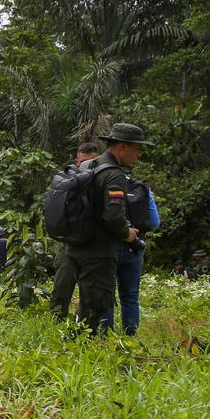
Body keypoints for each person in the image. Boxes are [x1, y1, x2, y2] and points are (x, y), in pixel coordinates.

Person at [62, 123, 152, 334]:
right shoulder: (113, 174)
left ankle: (77, 347)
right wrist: (128, 235)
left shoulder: (89, 165)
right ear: (122, 147)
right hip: (97, 251)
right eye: (137, 149)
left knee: (86, 303)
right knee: (97, 306)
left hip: (77, 246)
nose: (138, 155)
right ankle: (89, 356)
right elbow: (113, 216)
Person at [48, 142, 101, 320]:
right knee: (63, 282)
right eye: (85, 161)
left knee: (91, 288)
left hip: (93, 240)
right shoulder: (65, 178)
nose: (88, 165)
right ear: (77, 161)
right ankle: (56, 319)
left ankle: (83, 324)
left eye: (93, 161)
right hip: (69, 240)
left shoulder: (102, 178)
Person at [102, 182, 160, 335]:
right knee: (130, 295)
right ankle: (131, 334)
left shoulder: (104, 185)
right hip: (134, 247)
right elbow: (154, 223)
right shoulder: (142, 188)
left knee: (106, 293)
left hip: (108, 247)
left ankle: (106, 335)